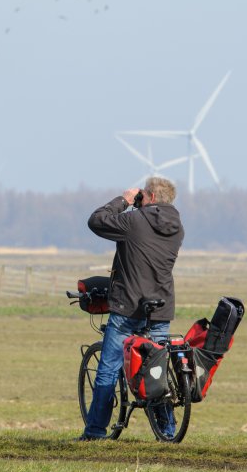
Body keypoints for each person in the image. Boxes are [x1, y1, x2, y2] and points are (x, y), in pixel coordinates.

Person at [78, 176, 184, 440]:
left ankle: (94, 431)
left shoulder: (134, 221)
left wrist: (124, 200)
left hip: (128, 307)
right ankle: (167, 430)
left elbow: (96, 220)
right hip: (160, 308)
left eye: (143, 195)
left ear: (149, 197)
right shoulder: (177, 227)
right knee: (156, 370)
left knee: (109, 369)